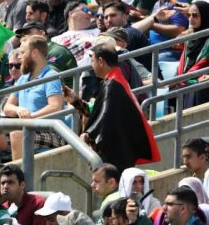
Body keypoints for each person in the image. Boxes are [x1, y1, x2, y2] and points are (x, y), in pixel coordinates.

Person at [65, 44, 160, 172]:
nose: (91, 66)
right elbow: (98, 111)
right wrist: (75, 100)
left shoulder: (113, 85)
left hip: (117, 154)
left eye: (92, 61)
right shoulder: (114, 80)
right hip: (119, 149)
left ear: (101, 61)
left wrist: (88, 134)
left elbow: (105, 117)